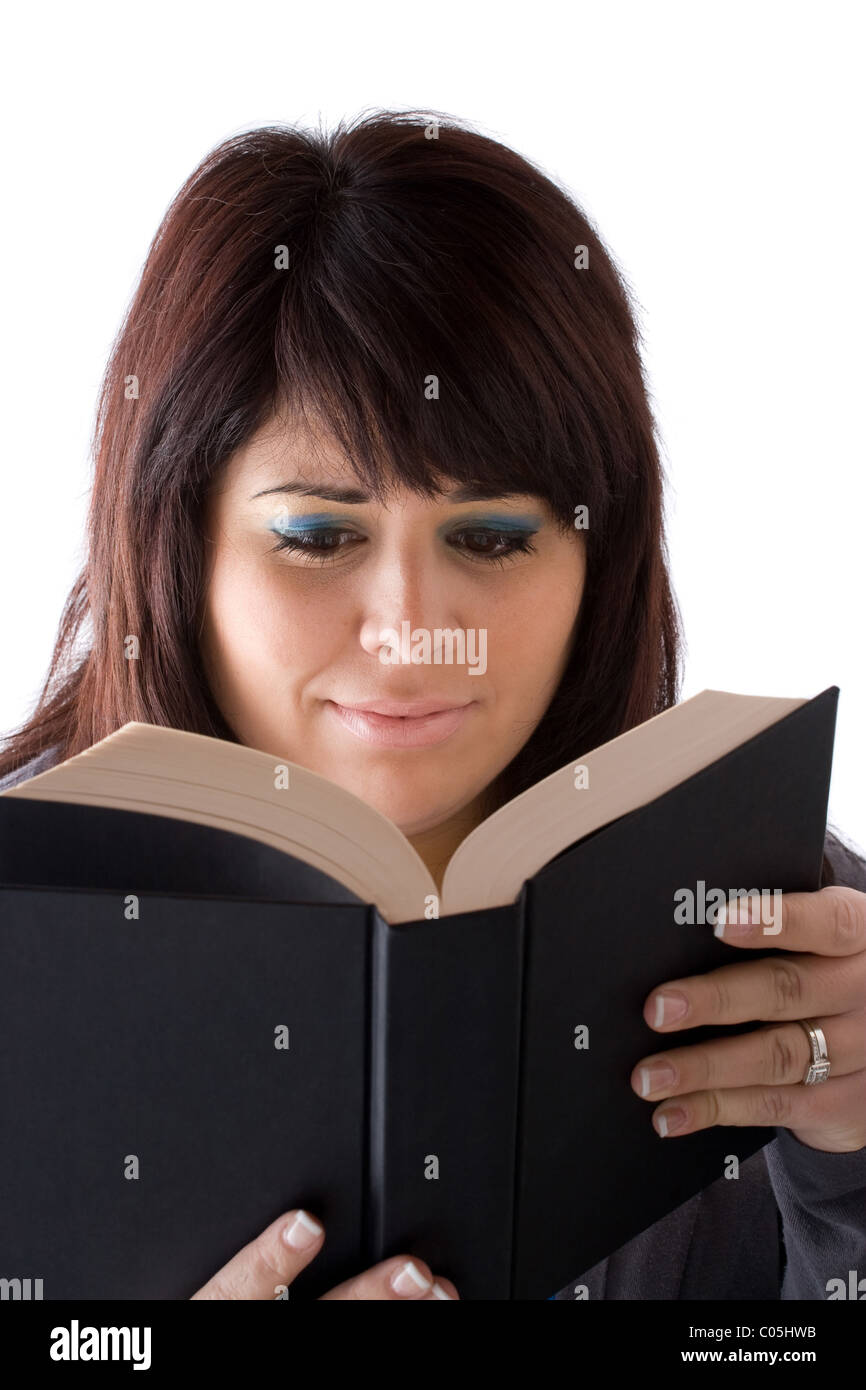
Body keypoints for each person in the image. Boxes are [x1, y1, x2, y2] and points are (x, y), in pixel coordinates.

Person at [1, 109, 864, 1301]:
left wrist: (853, 1172)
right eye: (315, 534)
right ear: (177, 547)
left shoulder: (795, 926)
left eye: (493, 535)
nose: (409, 629)